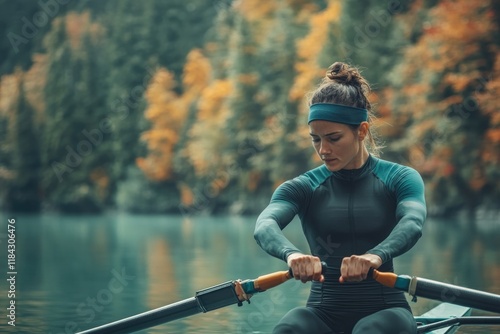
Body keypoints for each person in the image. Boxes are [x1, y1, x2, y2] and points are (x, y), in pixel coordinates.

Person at [253, 62, 426, 334]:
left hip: (386, 312)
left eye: (333, 138)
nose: (323, 150)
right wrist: (293, 255)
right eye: (315, 139)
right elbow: (265, 225)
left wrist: (375, 257)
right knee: (289, 328)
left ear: (361, 131)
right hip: (321, 314)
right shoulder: (303, 187)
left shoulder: (399, 178)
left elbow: (413, 222)